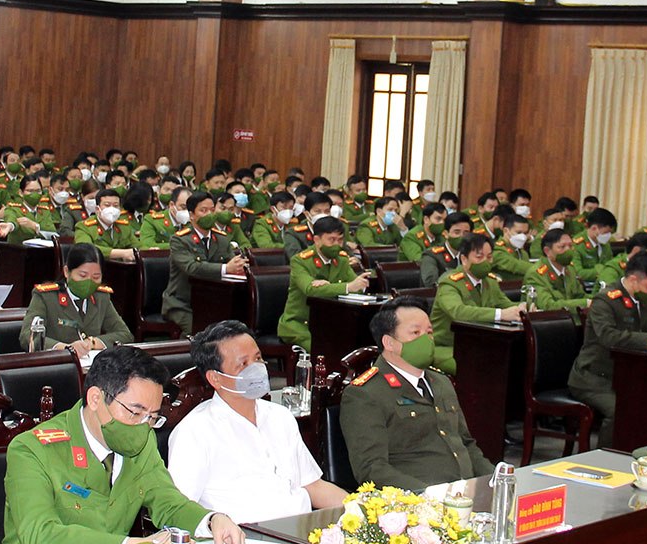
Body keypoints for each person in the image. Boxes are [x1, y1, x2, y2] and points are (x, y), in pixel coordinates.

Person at [0, 346, 246, 544]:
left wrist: (211, 521)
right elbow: (41, 537)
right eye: (135, 412)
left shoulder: (140, 440)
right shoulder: (32, 450)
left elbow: (168, 502)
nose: (144, 426)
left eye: (152, 416)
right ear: (95, 399)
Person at [168, 321, 346, 523]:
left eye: (258, 358)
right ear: (215, 378)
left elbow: (313, 486)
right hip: (244, 543)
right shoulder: (195, 431)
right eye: (243, 364)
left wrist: (366, 508)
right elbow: (180, 512)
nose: (257, 369)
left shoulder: (281, 416)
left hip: (301, 532)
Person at [340, 296, 494, 489]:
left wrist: (496, 481)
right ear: (389, 342)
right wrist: (427, 496)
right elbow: (372, 469)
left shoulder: (441, 382)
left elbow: (466, 444)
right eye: (415, 332)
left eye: (429, 332)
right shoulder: (366, 393)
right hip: (418, 502)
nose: (427, 340)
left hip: (465, 493)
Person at [568, 253, 647, 448]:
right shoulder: (606, 300)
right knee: (620, 409)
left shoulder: (644, 299)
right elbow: (609, 338)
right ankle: (605, 458)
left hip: (629, 375)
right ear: (633, 279)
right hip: (594, 377)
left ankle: (643, 454)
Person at [429, 233, 523, 374]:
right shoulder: (449, 283)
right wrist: (501, 314)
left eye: (489, 257)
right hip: (448, 346)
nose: (486, 262)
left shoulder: (490, 282)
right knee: (483, 365)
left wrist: (522, 309)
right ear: (464, 259)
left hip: (481, 344)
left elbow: (505, 304)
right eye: (479, 257)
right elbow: (458, 312)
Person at [19, 243, 133, 354]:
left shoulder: (101, 297)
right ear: (66, 272)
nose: (89, 282)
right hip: (55, 366)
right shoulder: (46, 297)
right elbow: (27, 337)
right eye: (82, 275)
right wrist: (65, 348)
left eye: (96, 277)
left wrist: (93, 342)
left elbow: (125, 334)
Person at [162, 191, 247, 336]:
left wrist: (239, 265)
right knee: (199, 331)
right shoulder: (180, 240)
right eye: (203, 210)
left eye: (212, 210)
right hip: (182, 303)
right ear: (191, 215)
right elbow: (191, 267)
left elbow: (233, 262)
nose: (210, 214)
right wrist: (225, 268)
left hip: (215, 300)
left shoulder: (221, 239)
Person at [277, 216, 369, 349]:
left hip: (329, 322)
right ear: (317, 240)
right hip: (300, 324)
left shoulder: (342, 259)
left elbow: (357, 286)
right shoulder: (300, 261)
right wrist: (347, 287)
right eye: (331, 240)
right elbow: (310, 290)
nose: (336, 245)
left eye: (340, 240)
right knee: (323, 349)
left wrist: (331, 287)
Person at [524, 229, 590, 312]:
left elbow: (580, 295)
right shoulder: (536, 274)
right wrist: (585, 303)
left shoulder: (569, 268)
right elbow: (548, 305)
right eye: (562, 247)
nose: (568, 250)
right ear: (547, 251)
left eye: (570, 246)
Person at [74, 189, 138, 261]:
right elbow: (86, 250)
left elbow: (138, 246)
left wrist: (148, 251)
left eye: (115, 205)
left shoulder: (123, 226)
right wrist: (121, 253)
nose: (111, 209)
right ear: (97, 209)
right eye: (107, 205)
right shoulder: (84, 227)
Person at [0, 174, 61, 244]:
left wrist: (36, 227)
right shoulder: (13, 208)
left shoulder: (44, 209)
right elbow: (12, 221)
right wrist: (9, 226)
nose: (35, 194)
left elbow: (52, 233)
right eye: (30, 191)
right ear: (21, 193)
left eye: (38, 191)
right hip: (19, 250)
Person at [420, 211, 471, 287]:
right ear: (446, 234)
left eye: (466, 233)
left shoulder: (471, 254)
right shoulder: (431, 256)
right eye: (456, 232)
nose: (461, 237)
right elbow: (431, 283)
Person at [571, 208, 618, 281]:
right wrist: (599, 270)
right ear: (594, 228)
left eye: (610, 233)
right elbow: (577, 273)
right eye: (606, 233)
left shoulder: (605, 244)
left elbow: (611, 265)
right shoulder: (577, 245)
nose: (608, 236)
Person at [490, 212, 535, 282]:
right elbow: (515, 265)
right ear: (505, 231)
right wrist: (539, 269)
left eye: (525, 233)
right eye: (519, 232)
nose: (522, 237)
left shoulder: (523, 252)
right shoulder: (496, 250)